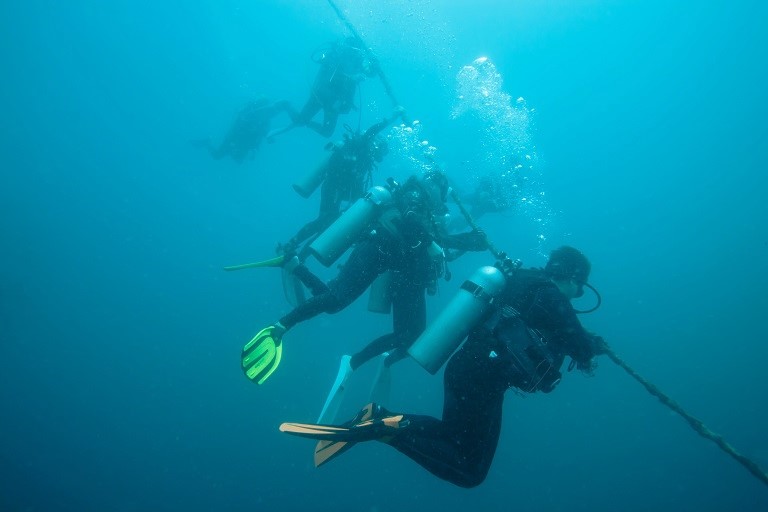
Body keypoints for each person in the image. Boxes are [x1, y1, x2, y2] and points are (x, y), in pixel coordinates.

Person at [279, 246, 608, 488]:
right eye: (579, 287)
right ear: (573, 277)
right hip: (482, 379)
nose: (577, 295)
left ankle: (381, 419)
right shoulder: (551, 295)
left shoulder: (522, 280)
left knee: (455, 443)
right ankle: (381, 425)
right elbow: (576, 342)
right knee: (469, 470)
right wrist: (594, 346)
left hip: (467, 370)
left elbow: (552, 330)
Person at [241, 173, 488, 386]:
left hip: (386, 261)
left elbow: (437, 244)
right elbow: (413, 223)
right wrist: (452, 241)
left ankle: (294, 265)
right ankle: (280, 327)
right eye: (440, 193)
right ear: (434, 186)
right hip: (374, 250)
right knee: (335, 300)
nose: (441, 200)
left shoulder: (427, 210)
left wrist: (470, 242)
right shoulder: (414, 194)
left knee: (344, 305)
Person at [280, 107, 406, 258]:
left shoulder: (365, 160)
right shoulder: (362, 144)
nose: (380, 156)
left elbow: (358, 192)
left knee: (328, 224)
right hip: (333, 184)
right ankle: (292, 246)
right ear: (377, 145)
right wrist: (392, 117)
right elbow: (373, 130)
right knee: (324, 220)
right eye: (381, 152)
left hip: (337, 187)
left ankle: (301, 256)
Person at [269, 37, 378, 139]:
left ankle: (302, 120)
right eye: (352, 50)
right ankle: (286, 105)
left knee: (327, 132)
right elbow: (328, 72)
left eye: (356, 52)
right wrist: (351, 77)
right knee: (302, 122)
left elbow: (370, 72)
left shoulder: (358, 62)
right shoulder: (336, 55)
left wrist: (374, 64)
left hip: (336, 102)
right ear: (347, 47)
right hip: (321, 94)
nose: (354, 54)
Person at [192, 97, 290, 164]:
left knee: (223, 157)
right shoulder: (250, 114)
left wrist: (267, 137)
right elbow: (240, 125)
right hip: (234, 138)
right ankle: (207, 143)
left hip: (239, 140)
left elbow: (264, 133)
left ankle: (207, 143)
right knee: (219, 156)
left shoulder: (264, 120)